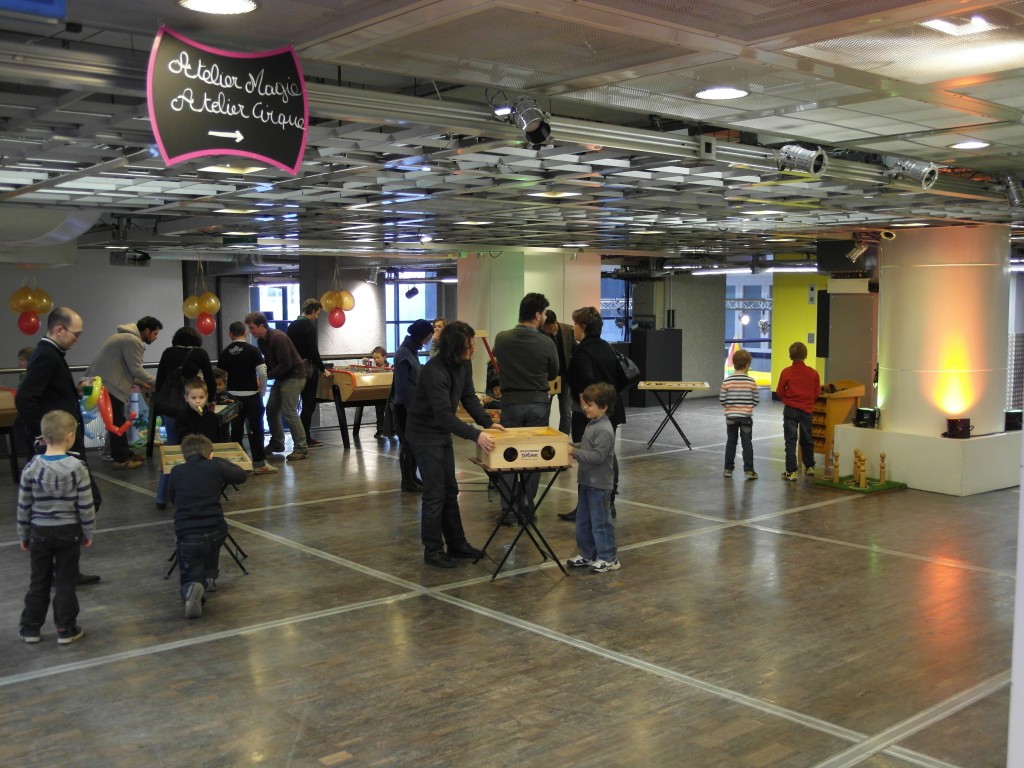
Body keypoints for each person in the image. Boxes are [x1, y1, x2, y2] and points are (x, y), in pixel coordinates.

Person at [15, 307, 101, 587]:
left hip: (63, 439)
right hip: (56, 443)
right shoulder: (46, 355)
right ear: (59, 329)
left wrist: (73, 392)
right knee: (81, 501)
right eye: (75, 334)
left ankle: (65, 567)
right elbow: (26, 398)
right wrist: (42, 436)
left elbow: (45, 394)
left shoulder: (52, 355)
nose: (77, 339)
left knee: (74, 502)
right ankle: (60, 566)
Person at [406, 321, 501, 568]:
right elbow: (444, 415)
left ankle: (457, 544)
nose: (473, 350)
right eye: (469, 347)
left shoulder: (463, 364)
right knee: (435, 494)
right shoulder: (433, 371)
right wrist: (476, 435)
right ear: (454, 347)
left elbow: (468, 395)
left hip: (440, 434)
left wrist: (486, 422)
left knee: (451, 491)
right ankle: (433, 550)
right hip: (424, 435)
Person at [17, 410, 96, 644]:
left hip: (39, 532)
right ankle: (66, 628)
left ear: (43, 437)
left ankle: (30, 628)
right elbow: (86, 503)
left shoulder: (31, 468)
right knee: (65, 581)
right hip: (68, 532)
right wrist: (88, 530)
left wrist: (24, 534)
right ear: (70, 436)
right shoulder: (78, 467)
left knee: (38, 580)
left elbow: (24, 505)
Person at [492, 293, 558, 524]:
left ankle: (508, 510)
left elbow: (497, 364)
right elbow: (552, 373)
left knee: (509, 456)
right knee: (533, 458)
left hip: (511, 403)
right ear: (538, 315)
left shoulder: (502, 339)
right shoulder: (547, 343)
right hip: (538, 403)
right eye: (544, 314)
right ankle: (527, 507)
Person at [169, 433, 248, 619]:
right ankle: (210, 577)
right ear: (209, 453)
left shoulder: (177, 472)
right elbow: (241, 475)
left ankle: (193, 587)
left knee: (191, 568)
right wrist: (217, 460)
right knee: (212, 543)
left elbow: (171, 498)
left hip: (189, 534)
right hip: (216, 529)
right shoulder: (216, 467)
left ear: (184, 455)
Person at [560, 306, 626, 522]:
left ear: (584, 327)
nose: (573, 329)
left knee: (591, 456)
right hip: (611, 408)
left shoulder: (582, 352)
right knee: (608, 454)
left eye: (576, 324)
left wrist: (587, 409)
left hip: (591, 412)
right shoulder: (607, 347)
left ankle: (586, 506)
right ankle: (609, 501)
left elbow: (586, 384)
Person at [86, 316, 162, 469]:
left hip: (103, 383)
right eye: (155, 333)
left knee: (118, 420)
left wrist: (141, 383)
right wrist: (159, 381)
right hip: (108, 386)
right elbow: (136, 369)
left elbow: (125, 368)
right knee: (117, 422)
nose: (156, 337)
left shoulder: (123, 337)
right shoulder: (131, 340)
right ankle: (120, 459)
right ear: (146, 331)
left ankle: (125, 453)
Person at [154, 326, 216, 509]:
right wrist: (208, 400)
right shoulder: (200, 354)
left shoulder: (167, 352)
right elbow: (210, 381)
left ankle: (162, 497)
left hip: (171, 409)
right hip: (193, 409)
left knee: (172, 453)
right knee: (198, 451)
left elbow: (160, 381)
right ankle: (194, 494)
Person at [565, 383, 620, 573]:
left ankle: (609, 558)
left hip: (599, 485)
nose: (585, 408)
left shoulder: (604, 429)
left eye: (590, 404)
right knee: (583, 521)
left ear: (603, 407)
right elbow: (587, 446)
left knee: (600, 523)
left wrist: (574, 451)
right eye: (585, 404)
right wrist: (574, 445)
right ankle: (587, 554)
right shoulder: (593, 423)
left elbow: (597, 456)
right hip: (587, 482)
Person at [245, 311, 309, 461]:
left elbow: (286, 363)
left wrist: (267, 376)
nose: (250, 331)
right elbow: (269, 362)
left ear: (262, 325)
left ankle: (301, 447)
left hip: (294, 376)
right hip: (282, 378)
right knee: (272, 409)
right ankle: (277, 443)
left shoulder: (277, 338)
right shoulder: (262, 341)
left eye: (252, 327)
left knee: (290, 412)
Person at [219, 321, 277, 475]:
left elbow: (220, 377)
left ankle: (240, 463)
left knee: (236, 431)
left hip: (232, 397)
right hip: (251, 396)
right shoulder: (253, 350)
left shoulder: (225, 352)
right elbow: (263, 373)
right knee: (256, 430)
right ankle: (259, 463)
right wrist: (262, 391)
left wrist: (226, 392)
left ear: (230, 334)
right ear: (244, 333)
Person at [392, 320, 433, 491]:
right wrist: (412, 410)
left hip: (412, 406)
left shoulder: (412, 352)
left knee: (414, 443)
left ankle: (413, 477)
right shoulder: (404, 354)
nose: (427, 342)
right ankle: (407, 481)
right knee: (407, 444)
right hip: (404, 407)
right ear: (420, 336)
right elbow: (401, 387)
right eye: (427, 338)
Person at [286, 299, 331, 448]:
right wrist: (323, 369)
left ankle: (298, 437)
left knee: (293, 407)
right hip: (308, 370)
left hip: (293, 369)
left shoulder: (291, 326)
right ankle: (306, 437)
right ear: (312, 311)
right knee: (308, 405)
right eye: (317, 313)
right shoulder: (309, 327)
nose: (317, 317)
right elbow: (313, 351)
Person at [777, 341, 820, 480]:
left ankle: (791, 471)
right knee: (807, 439)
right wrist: (808, 402)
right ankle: (810, 467)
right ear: (806, 355)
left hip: (790, 409)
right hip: (806, 409)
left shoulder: (786, 372)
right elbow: (816, 393)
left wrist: (787, 400)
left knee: (790, 440)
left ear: (790, 356)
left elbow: (779, 391)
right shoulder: (813, 373)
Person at [720, 348, 760, 479]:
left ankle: (728, 469)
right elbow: (755, 400)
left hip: (731, 417)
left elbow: (722, 399)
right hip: (746, 418)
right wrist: (748, 407)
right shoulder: (751, 381)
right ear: (748, 364)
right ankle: (749, 470)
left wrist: (730, 407)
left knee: (731, 442)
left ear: (733, 363)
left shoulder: (727, 381)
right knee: (747, 443)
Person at [542, 309, 575, 435]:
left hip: (565, 377)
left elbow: (574, 351)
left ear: (555, 323)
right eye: (544, 327)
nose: (546, 330)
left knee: (566, 412)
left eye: (548, 327)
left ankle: (564, 439)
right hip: (547, 378)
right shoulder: (541, 332)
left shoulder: (568, 331)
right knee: (545, 411)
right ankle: (544, 439)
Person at [368, 345, 394, 439]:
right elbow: (364, 360)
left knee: (389, 412)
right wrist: (367, 360)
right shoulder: (373, 365)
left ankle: (391, 429)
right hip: (378, 393)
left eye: (378, 358)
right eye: (374, 358)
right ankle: (380, 430)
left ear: (384, 357)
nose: (376, 360)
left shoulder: (391, 366)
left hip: (388, 393)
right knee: (379, 412)